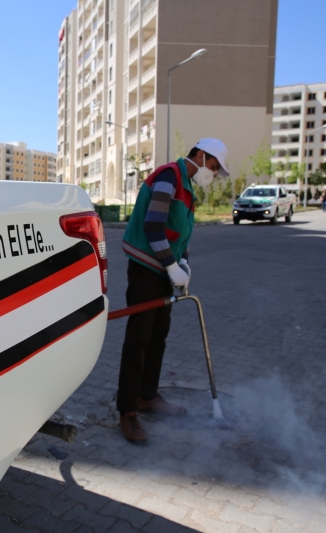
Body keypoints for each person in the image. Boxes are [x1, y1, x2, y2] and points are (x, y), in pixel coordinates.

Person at [118, 138, 229, 444]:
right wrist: (171, 266)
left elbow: (181, 234)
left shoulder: (187, 187)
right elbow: (154, 226)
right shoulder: (169, 176)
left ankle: (147, 395)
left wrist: (183, 262)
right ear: (201, 155)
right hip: (146, 269)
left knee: (158, 337)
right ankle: (127, 412)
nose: (214, 174)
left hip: (163, 269)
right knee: (138, 340)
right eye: (214, 167)